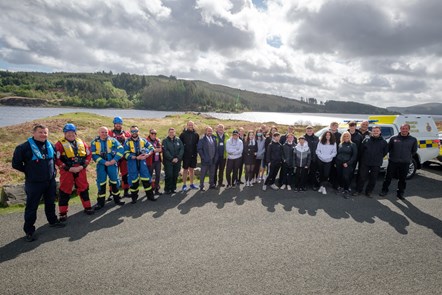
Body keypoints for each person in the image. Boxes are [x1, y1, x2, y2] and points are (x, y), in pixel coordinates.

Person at [12, 124, 65, 242]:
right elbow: (15, 164)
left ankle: (53, 221)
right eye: (40, 132)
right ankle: (29, 231)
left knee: (50, 203)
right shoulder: (23, 147)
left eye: (45, 132)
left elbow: (54, 160)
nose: (43, 135)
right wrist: (29, 171)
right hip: (34, 183)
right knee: (32, 207)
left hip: (50, 181)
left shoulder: (50, 145)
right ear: (34, 133)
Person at [55, 123, 94, 221]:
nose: (70, 134)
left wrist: (83, 166)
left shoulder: (82, 143)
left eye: (72, 132)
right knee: (64, 191)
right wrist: (67, 168)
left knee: (84, 188)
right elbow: (57, 159)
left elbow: (89, 155)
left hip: (81, 170)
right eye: (68, 132)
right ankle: (63, 213)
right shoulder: (59, 144)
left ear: (75, 133)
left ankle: (87, 207)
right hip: (67, 171)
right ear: (64, 133)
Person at [379, 124, 418, 200]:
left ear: (408, 129)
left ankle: (400, 193)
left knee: (402, 179)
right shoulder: (394, 138)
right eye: (403, 128)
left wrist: (407, 157)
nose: (404, 130)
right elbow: (388, 149)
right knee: (388, 177)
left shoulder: (413, 139)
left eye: (406, 128)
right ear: (400, 129)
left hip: (405, 162)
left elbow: (414, 151)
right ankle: (384, 190)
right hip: (393, 161)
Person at [91, 126, 125, 210]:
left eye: (106, 132)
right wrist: (104, 162)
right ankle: (100, 202)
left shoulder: (113, 140)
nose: (104, 134)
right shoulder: (94, 142)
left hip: (112, 164)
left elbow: (121, 149)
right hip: (101, 165)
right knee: (101, 183)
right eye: (102, 132)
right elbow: (94, 155)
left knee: (115, 181)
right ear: (99, 133)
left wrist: (114, 160)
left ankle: (117, 199)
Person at [353, 126, 388, 198]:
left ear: (380, 132)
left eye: (377, 131)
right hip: (365, 162)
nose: (375, 132)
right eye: (374, 131)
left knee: (373, 178)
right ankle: (358, 191)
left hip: (376, 163)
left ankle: (369, 192)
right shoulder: (366, 140)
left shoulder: (383, 142)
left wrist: (377, 157)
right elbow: (361, 150)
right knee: (362, 177)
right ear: (371, 131)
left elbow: (384, 152)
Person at [124, 126, 155, 204]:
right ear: (130, 132)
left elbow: (151, 148)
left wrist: (148, 154)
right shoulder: (127, 142)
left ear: (138, 131)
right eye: (132, 131)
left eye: (136, 131)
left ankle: (150, 196)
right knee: (134, 181)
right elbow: (125, 154)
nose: (134, 133)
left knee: (146, 179)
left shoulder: (143, 140)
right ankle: (134, 197)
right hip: (132, 163)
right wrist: (135, 157)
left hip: (142, 163)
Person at [108, 116, 131, 198]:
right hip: (114, 158)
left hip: (124, 158)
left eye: (119, 124)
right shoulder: (109, 133)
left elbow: (131, 142)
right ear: (114, 124)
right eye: (117, 124)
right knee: (113, 175)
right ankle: (111, 193)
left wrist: (126, 139)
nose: (118, 125)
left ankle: (126, 191)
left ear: (122, 124)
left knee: (125, 175)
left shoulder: (126, 133)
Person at [335, 132, 358, 198]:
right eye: (344, 136)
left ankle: (346, 189)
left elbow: (354, 156)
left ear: (349, 137)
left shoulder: (353, 144)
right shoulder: (340, 144)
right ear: (342, 137)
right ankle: (341, 187)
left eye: (347, 136)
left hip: (347, 163)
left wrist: (348, 163)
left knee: (346, 176)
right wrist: (336, 162)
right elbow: (338, 153)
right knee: (340, 176)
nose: (346, 137)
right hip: (339, 163)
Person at [162, 128, 184, 194]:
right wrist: (172, 159)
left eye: (173, 132)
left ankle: (173, 188)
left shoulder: (178, 140)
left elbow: (182, 149)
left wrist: (178, 158)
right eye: (170, 132)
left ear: (174, 133)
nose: (171, 133)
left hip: (177, 161)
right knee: (169, 175)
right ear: (168, 133)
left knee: (175, 175)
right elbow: (165, 151)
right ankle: (167, 189)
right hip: (168, 161)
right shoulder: (165, 141)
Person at [179, 121, 200, 191]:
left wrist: (196, 153)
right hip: (185, 155)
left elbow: (198, 145)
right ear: (187, 125)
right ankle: (184, 185)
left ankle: (191, 184)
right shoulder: (183, 134)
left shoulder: (196, 134)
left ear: (193, 125)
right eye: (189, 125)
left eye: (192, 125)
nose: (190, 126)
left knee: (192, 170)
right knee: (185, 170)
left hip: (193, 155)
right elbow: (180, 146)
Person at [316, 131, 337, 195]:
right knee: (321, 174)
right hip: (321, 160)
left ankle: (323, 187)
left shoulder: (333, 143)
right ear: (324, 136)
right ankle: (322, 187)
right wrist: (322, 156)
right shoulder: (321, 142)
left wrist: (328, 157)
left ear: (331, 136)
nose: (327, 136)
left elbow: (334, 152)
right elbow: (317, 151)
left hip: (328, 161)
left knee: (326, 174)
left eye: (329, 135)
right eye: (326, 135)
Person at [197, 126, 218, 191]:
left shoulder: (214, 139)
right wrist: (203, 158)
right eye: (208, 131)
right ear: (206, 132)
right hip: (205, 160)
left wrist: (215, 158)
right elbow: (199, 149)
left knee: (212, 173)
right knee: (203, 174)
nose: (210, 132)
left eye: (211, 131)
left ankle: (211, 185)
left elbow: (216, 149)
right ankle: (201, 186)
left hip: (213, 160)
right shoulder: (202, 139)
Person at [146, 129, 163, 195]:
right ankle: (149, 190)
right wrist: (154, 151)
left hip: (158, 161)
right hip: (150, 161)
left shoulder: (157, 140)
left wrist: (160, 150)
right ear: (149, 133)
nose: (154, 135)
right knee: (149, 176)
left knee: (158, 175)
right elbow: (145, 150)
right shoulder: (146, 141)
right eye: (152, 133)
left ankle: (156, 189)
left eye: (155, 133)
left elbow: (161, 149)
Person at [304, 126, 320, 190]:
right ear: (306, 131)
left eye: (310, 131)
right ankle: (304, 185)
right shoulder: (303, 138)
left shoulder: (316, 138)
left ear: (313, 131)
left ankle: (313, 184)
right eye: (308, 131)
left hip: (314, 158)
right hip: (305, 158)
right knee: (304, 172)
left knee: (313, 172)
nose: (309, 132)